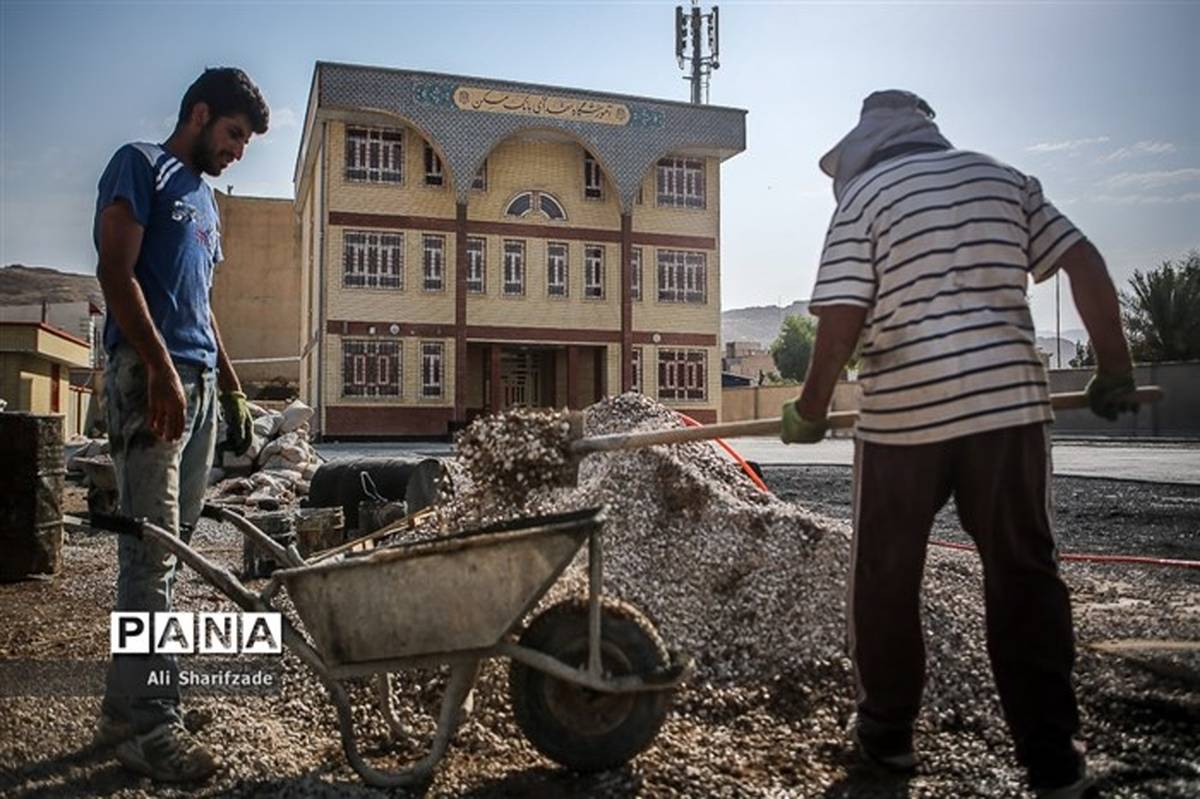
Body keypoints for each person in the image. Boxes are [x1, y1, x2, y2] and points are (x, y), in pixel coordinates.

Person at [781, 90, 1137, 799]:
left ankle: (886, 737)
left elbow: (843, 312)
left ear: (862, 148)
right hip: (1007, 409)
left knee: (886, 578)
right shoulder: (1004, 178)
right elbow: (1085, 259)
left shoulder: (864, 199)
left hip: (904, 417)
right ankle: (1054, 761)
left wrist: (813, 406)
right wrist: (1115, 365)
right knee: (1025, 575)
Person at [92, 67, 267, 782]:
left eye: (246, 142)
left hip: (191, 383)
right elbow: (114, 271)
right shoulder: (143, 166)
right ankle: (150, 728)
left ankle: (125, 703)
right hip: (148, 379)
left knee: (173, 547)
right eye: (232, 134)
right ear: (198, 114)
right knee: (152, 550)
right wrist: (163, 372)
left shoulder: (205, 203)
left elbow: (199, 306)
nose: (237, 152)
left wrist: (231, 392)